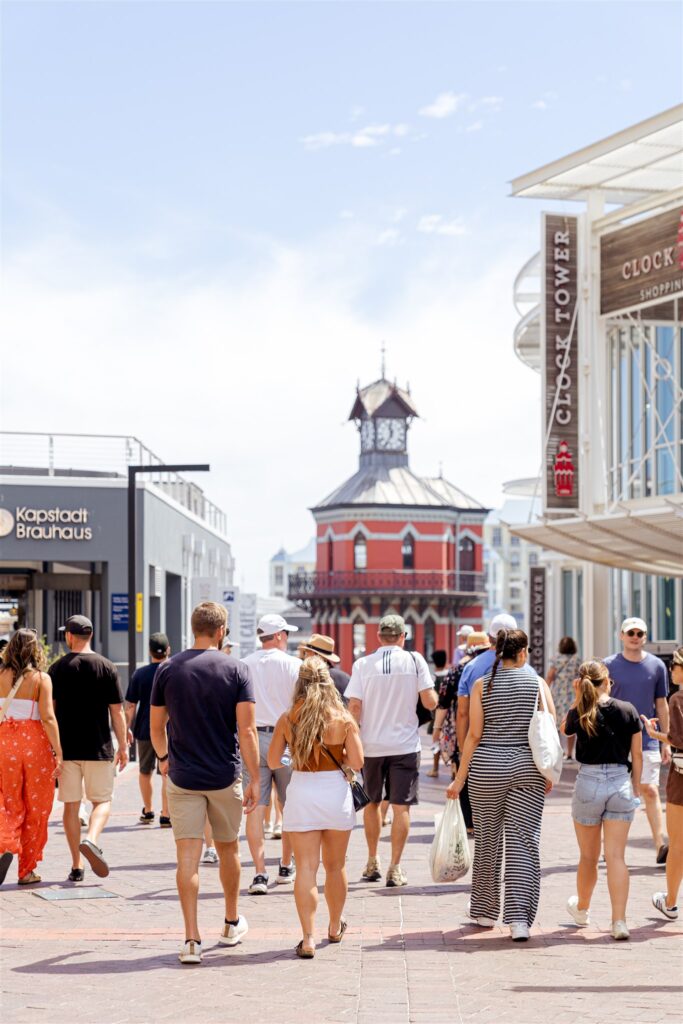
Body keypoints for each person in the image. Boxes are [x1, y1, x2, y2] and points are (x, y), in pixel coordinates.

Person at [150, 601, 260, 964]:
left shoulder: (167, 670)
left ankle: (191, 940)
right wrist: (255, 776)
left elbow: (155, 727)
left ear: (193, 627)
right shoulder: (237, 670)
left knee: (187, 858)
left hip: (182, 776)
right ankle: (230, 922)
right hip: (223, 774)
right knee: (229, 849)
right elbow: (246, 730)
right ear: (221, 631)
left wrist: (164, 759)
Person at [447, 629, 555, 942]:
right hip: (526, 769)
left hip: (486, 769)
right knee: (524, 842)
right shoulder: (536, 683)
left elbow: (474, 735)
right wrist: (548, 772)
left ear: (498, 652)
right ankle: (519, 919)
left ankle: (484, 910)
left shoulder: (483, 684)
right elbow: (549, 726)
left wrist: (459, 778)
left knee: (487, 840)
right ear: (523, 653)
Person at [267, 655, 363, 958]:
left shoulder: (288, 717)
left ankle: (307, 939)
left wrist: (294, 759)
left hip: (303, 791)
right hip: (335, 792)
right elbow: (358, 762)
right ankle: (334, 926)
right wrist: (341, 761)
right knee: (336, 866)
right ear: (328, 682)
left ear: (301, 683)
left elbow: (271, 762)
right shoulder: (343, 718)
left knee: (305, 868)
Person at [347, 613, 438, 887]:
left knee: (372, 803)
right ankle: (395, 868)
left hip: (371, 744)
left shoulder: (362, 663)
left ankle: (372, 860)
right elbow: (430, 702)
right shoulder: (414, 660)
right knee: (401, 807)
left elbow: (353, 707)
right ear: (403, 636)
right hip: (405, 745)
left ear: (378, 636)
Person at [562, 659, 643, 940]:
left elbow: (565, 730)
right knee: (617, 857)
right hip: (621, 780)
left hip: (589, 782)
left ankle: (582, 908)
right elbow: (638, 755)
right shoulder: (628, 710)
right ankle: (619, 921)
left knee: (588, 856)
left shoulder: (580, 711)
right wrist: (635, 788)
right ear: (607, 680)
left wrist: (576, 698)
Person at [50, 615, 128, 881]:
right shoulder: (107, 667)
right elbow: (117, 712)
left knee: (70, 807)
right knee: (102, 801)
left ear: (69, 636)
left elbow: (52, 712)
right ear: (90, 636)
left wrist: (52, 748)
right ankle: (92, 839)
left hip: (67, 750)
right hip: (99, 747)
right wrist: (124, 746)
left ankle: (76, 865)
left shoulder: (57, 669)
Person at [240, 613, 301, 893]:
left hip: (252, 738)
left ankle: (259, 873)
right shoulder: (293, 665)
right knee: (290, 805)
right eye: (285, 633)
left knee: (255, 804)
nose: (287, 638)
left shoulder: (243, 665)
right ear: (278, 636)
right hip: (286, 739)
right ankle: (286, 864)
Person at [605, 617, 670, 864]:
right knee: (615, 795)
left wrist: (666, 739)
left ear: (645, 636)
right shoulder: (608, 665)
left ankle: (660, 845)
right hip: (615, 741)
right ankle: (610, 846)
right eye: (630, 632)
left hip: (648, 738)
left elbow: (661, 704)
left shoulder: (657, 666)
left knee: (651, 790)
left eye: (639, 633)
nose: (635, 636)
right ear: (621, 635)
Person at [0, 629, 62, 886]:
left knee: (7, 798)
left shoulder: (0, 674)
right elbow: (47, 717)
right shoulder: (41, 679)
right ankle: (26, 870)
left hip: (4, 742)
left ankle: (5, 841)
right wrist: (59, 752)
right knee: (36, 805)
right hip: (34, 745)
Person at [641, 646, 683, 921]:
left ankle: (670, 902)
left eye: (675, 665)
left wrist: (656, 733)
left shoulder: (678, 699)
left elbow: (679, 740)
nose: (671, 670)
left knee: (677, 844)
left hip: (681, 779)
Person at [433, 632, 489, 833]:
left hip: (461, 729)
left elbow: (444, 701)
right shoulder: (497, 666)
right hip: (491, 729)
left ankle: (469, 822)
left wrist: (437, 729)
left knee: (463, 771)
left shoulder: (459, 669)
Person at [125, 632, 171, 827]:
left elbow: (130, 705)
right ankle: (166, 814)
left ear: (150, 651)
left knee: (145, 771)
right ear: (168, 650)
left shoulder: (140, 674)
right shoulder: (173, 671)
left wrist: (126, 728)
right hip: (169, 730)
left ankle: (148, 809)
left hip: (144, 729)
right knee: (167, 772)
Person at [547, 637, 581, 760]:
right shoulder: (577, 660)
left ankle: (559, 750)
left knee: (556, 723)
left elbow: (550, 676)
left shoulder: (556, 659)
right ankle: (570, 752)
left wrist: (545, 690)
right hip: (572, 694)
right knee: (570, 722)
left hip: (558, 694)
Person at [299, 634, 350, 705]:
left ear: (314, 654)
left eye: (306, 653)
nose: (305, 656)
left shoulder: (311, 677)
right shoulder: (345, 677)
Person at [426, 650, 450, 778]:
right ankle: (453, 770)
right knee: (451, 741)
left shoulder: (432, 677)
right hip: (450, 714)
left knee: (436, 741)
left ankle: (435, 768)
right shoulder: (450, 675)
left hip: (436, 715)